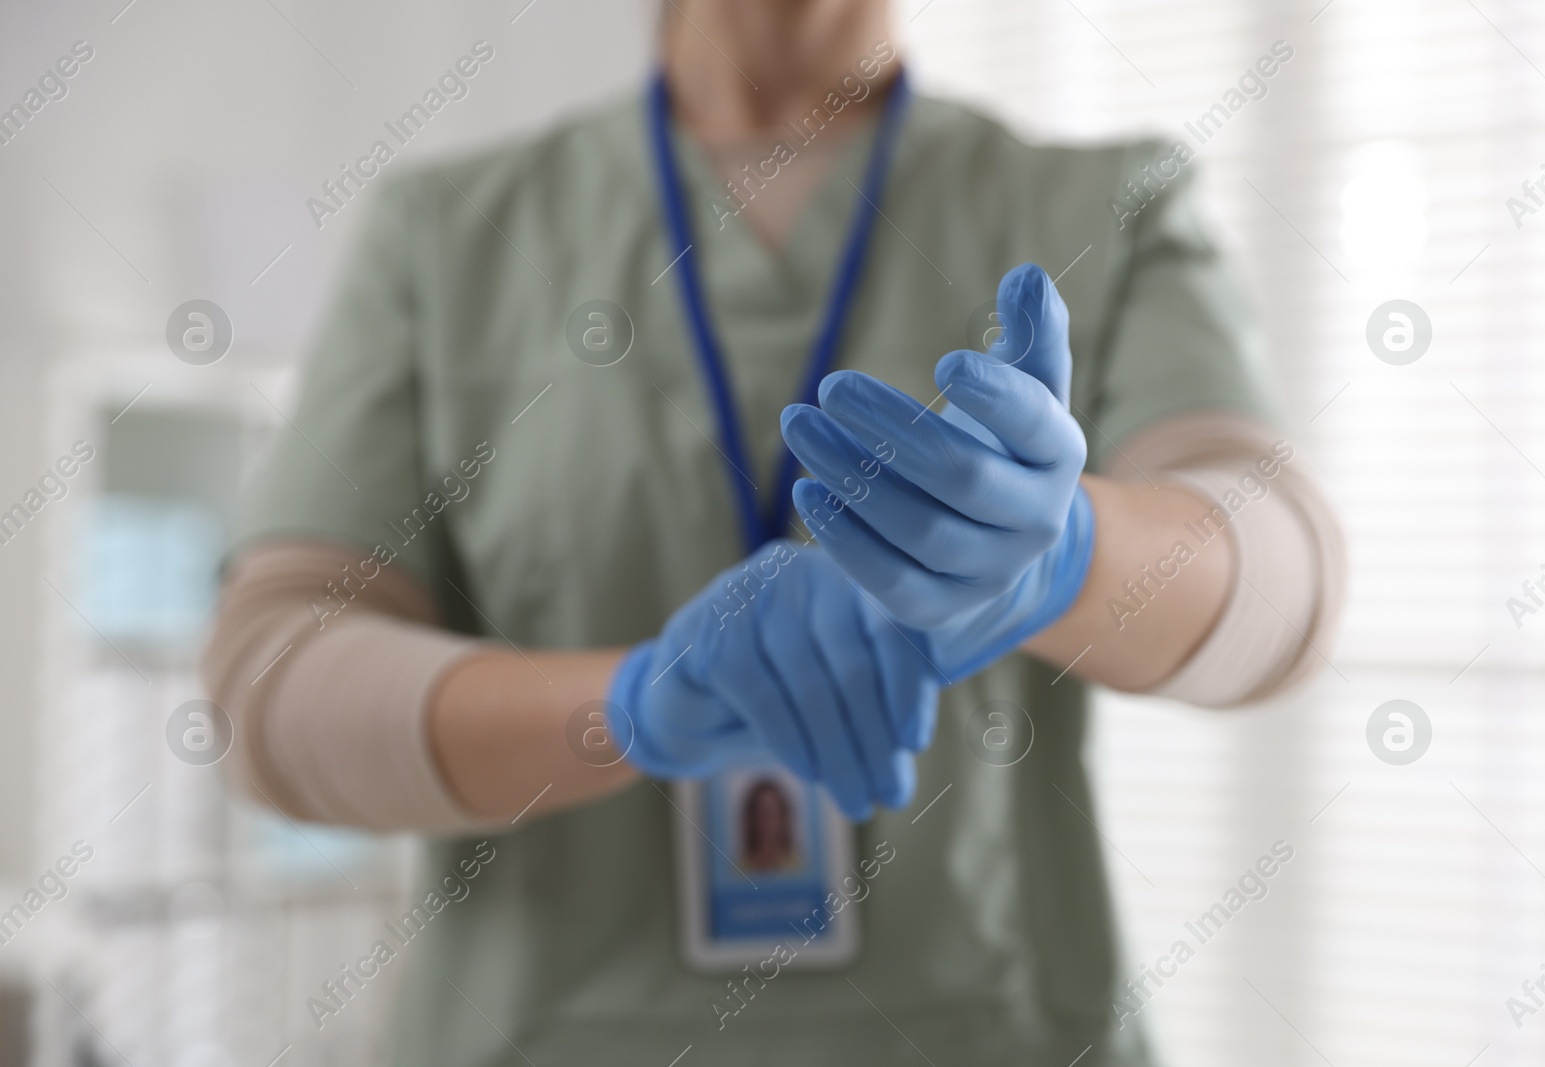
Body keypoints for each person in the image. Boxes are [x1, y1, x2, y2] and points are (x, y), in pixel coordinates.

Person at [203, 1, 1344, 1063]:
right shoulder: (446, 237)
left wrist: (1072, 554)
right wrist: (626, 706)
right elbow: (268, 683)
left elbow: (1281, 574)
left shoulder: (1100, 204)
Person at [740, 779, 797, 873]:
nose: (767, 821)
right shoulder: (739, 869)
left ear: (782, 818)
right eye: (761, 813)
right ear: (751, 819)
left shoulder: (797, 868)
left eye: (772, 814)